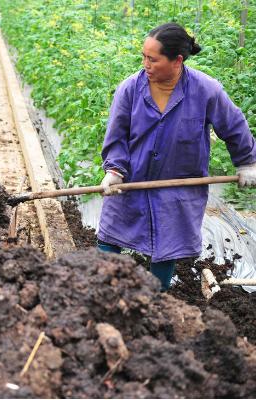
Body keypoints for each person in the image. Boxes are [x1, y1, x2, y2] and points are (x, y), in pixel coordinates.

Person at [97, 22, 256, 291]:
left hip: (178, 185)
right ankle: (104, 291)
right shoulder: (130, 89)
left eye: (153, 59)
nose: (145, 64)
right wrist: (114, 171)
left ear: (177, 61)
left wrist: (247, 163)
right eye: (143, 57)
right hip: (132, 180)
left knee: (167, 245)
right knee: (110, 236)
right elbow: (117, 136)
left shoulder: (205, 90)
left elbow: (233, 125)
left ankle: (155, 301)